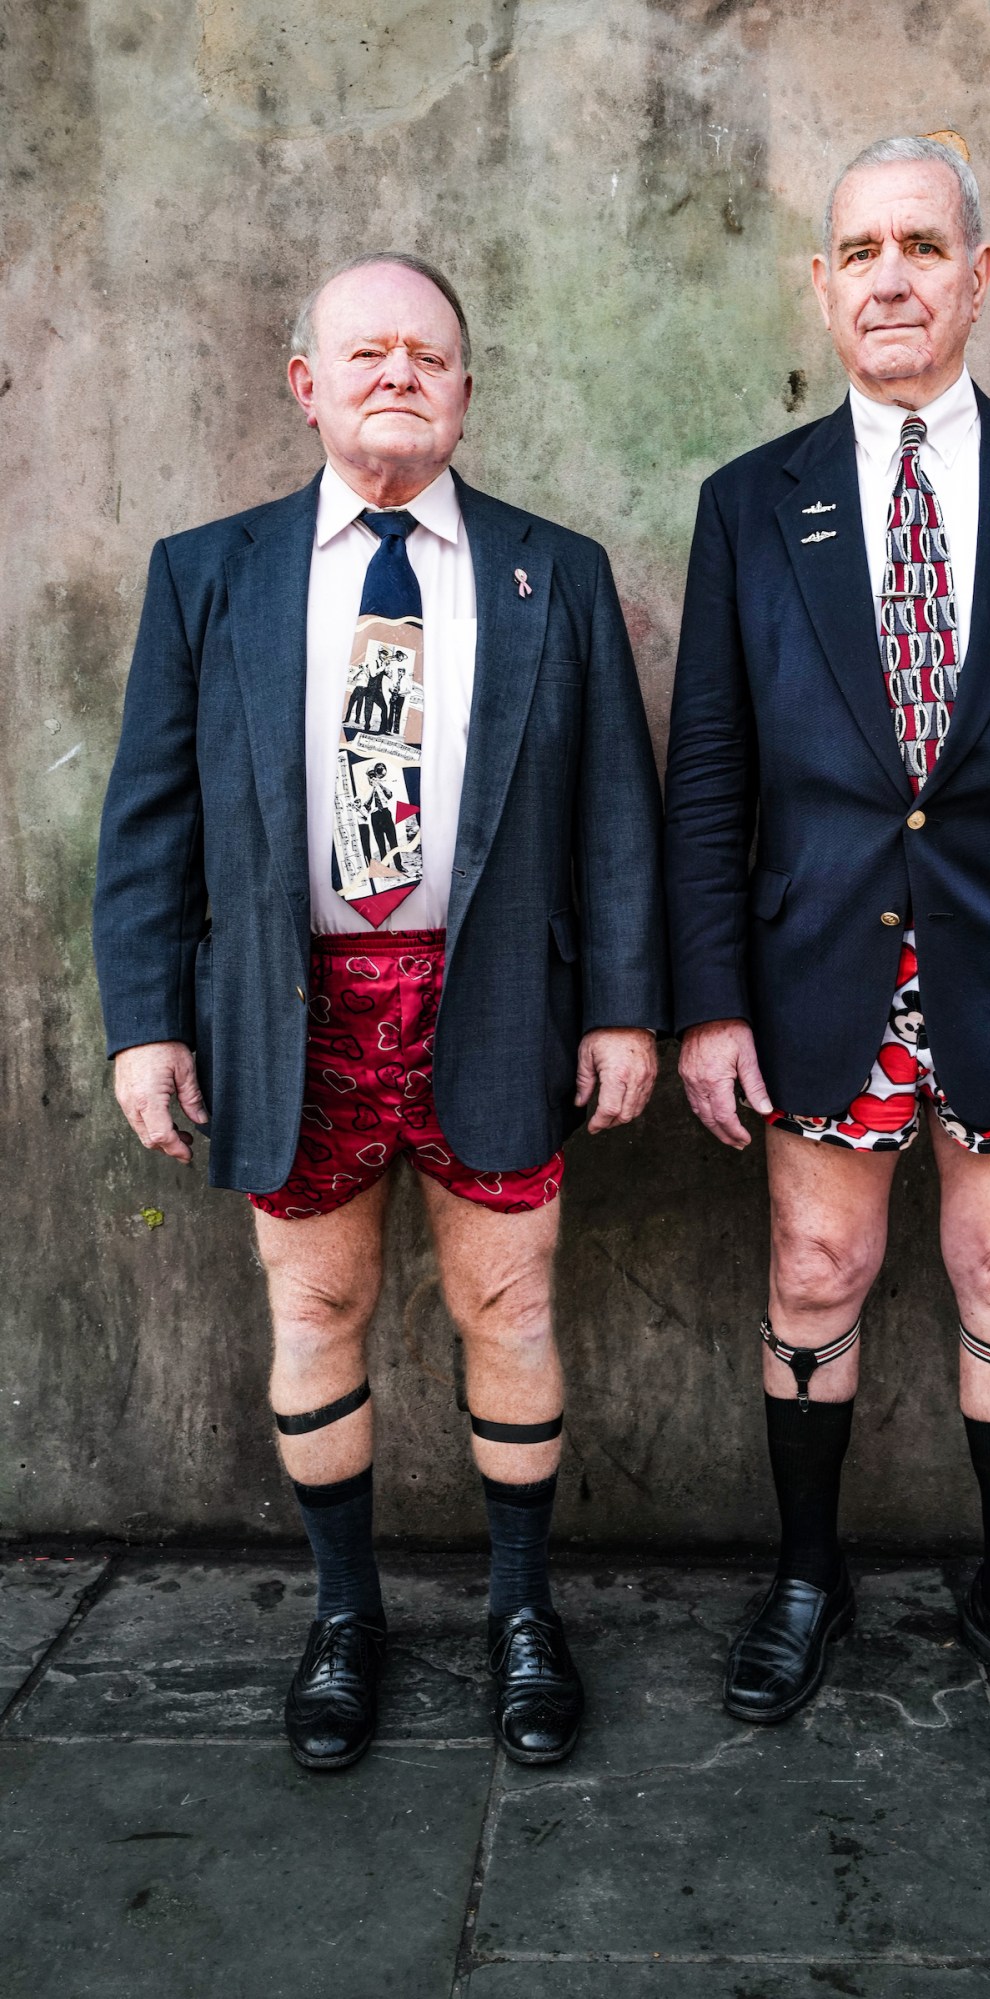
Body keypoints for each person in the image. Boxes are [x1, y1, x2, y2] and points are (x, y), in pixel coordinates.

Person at [95, 251, 669, 1772]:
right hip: (294, 1013)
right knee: (317, 1311)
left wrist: (624, 1011)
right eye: (364, 354)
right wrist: (146, 1022)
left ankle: (520, 1613)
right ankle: (345, 1615)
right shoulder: (207, 572)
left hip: (492, 1001)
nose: (397, 372)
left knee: (511, 1309)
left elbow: (619, 812)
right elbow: (150, 821)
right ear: (307, 385)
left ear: (469, 388)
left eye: (428, 352)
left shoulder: (560, 571)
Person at [664, 136, 990, 1759]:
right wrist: (703, 1006)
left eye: (919, 245)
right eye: (856, 251)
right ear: (820, 288)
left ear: (978, 275)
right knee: (816, 1270)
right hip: (818, 964)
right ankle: (806, 1580)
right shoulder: (750, 507)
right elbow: (706, 781)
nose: (886, 277)